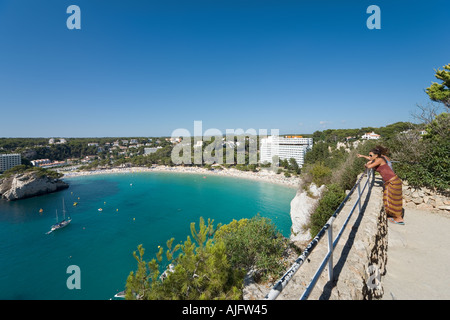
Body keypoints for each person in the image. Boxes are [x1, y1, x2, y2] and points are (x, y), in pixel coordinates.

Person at [359, 147, 404, 225]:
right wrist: (368, 162)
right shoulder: (376, 159)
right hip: (390, 182)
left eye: (371, 155)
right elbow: (369, 163)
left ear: (376, 155)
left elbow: (369, 166)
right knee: (388, 198)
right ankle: (394, 216)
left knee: (395, 200)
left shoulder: (380, 159)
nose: (369, 156)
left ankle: (399, 218)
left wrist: (367, 164)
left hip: (393, 182)